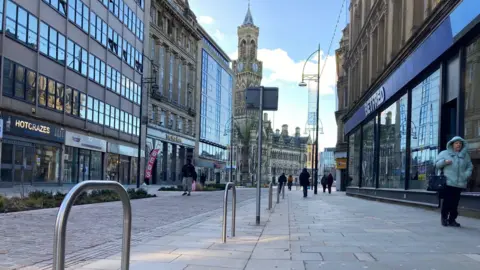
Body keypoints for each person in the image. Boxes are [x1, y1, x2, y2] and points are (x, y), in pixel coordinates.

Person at [435, 136, 472, 227]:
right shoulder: (444, 153)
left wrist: (466, 175)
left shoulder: (465, 155)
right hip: (448, 182)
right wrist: (444, 162)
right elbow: (436, 165)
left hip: (459, 183)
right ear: (452, 144)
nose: (458, 145)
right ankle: (444, 218)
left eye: (460, 143)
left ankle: (452, 220)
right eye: (456, 143)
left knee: (455, 203)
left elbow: (470, 167)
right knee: (447, 202)